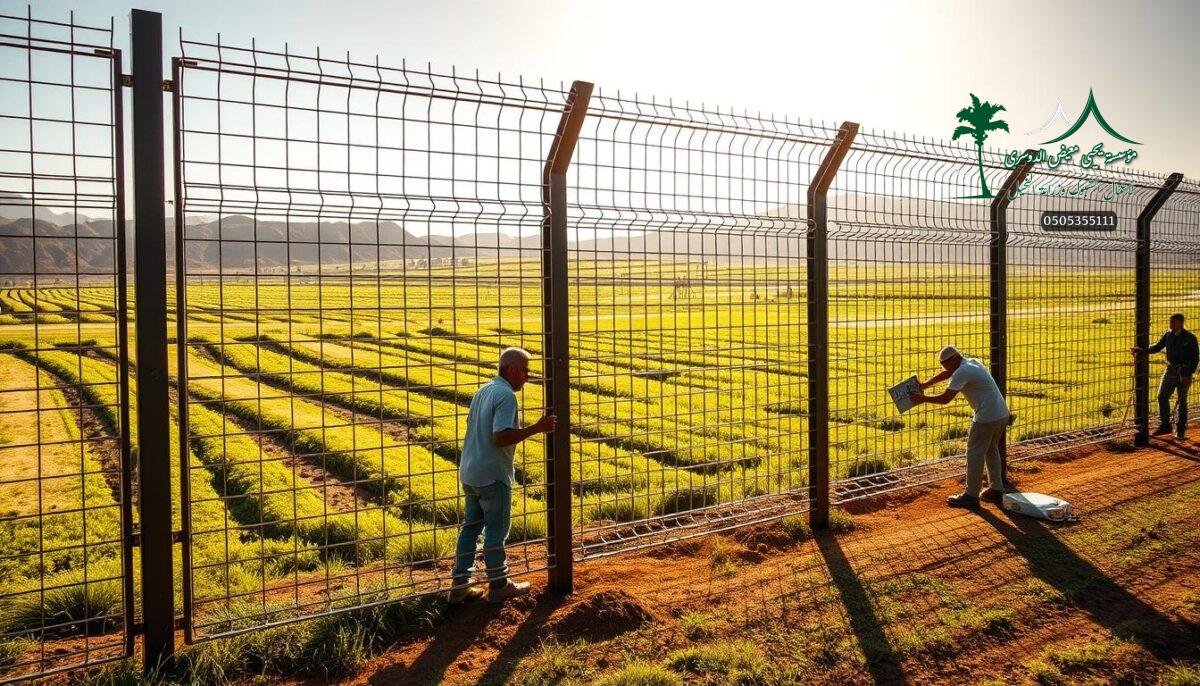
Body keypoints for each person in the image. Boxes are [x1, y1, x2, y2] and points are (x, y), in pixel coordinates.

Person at [449, 347, 556, 604]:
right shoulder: (506, 396)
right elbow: (500, 436)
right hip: (492, 474)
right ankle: (499, 584)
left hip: (470, 471)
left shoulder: (483, 390)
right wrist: (537, 428)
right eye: (525, 370)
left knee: (470, 529)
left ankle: (459, 585)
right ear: (511, 369)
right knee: (496, 530)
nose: (528, 376)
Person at [909, 345, 1012, 509]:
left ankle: (971, 496)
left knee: (975, 453)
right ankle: (996, 489)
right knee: (990, 449)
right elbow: (948, 373)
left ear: (954, 359)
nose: (944, 368)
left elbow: (945, 399)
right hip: (1001, 413)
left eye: (945, 364)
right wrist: (925, 385)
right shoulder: (971, 363)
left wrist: (922, 398)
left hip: (986, 416)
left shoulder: (962, 372)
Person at [1130, 313, 1197, 439]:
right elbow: (1157, 347)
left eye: (1173, 322)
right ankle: (1165, 424)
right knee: (1162, 396)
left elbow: (1195, 358)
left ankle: (1181, 429)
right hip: (1170, 370)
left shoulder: (1190, 338)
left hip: (1184, 372)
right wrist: (1142, 350)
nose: (1170, 325)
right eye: (1170, 322)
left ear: (1181, 323)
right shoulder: (1168, 334)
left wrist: (1188, 374)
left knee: (1181, 400)